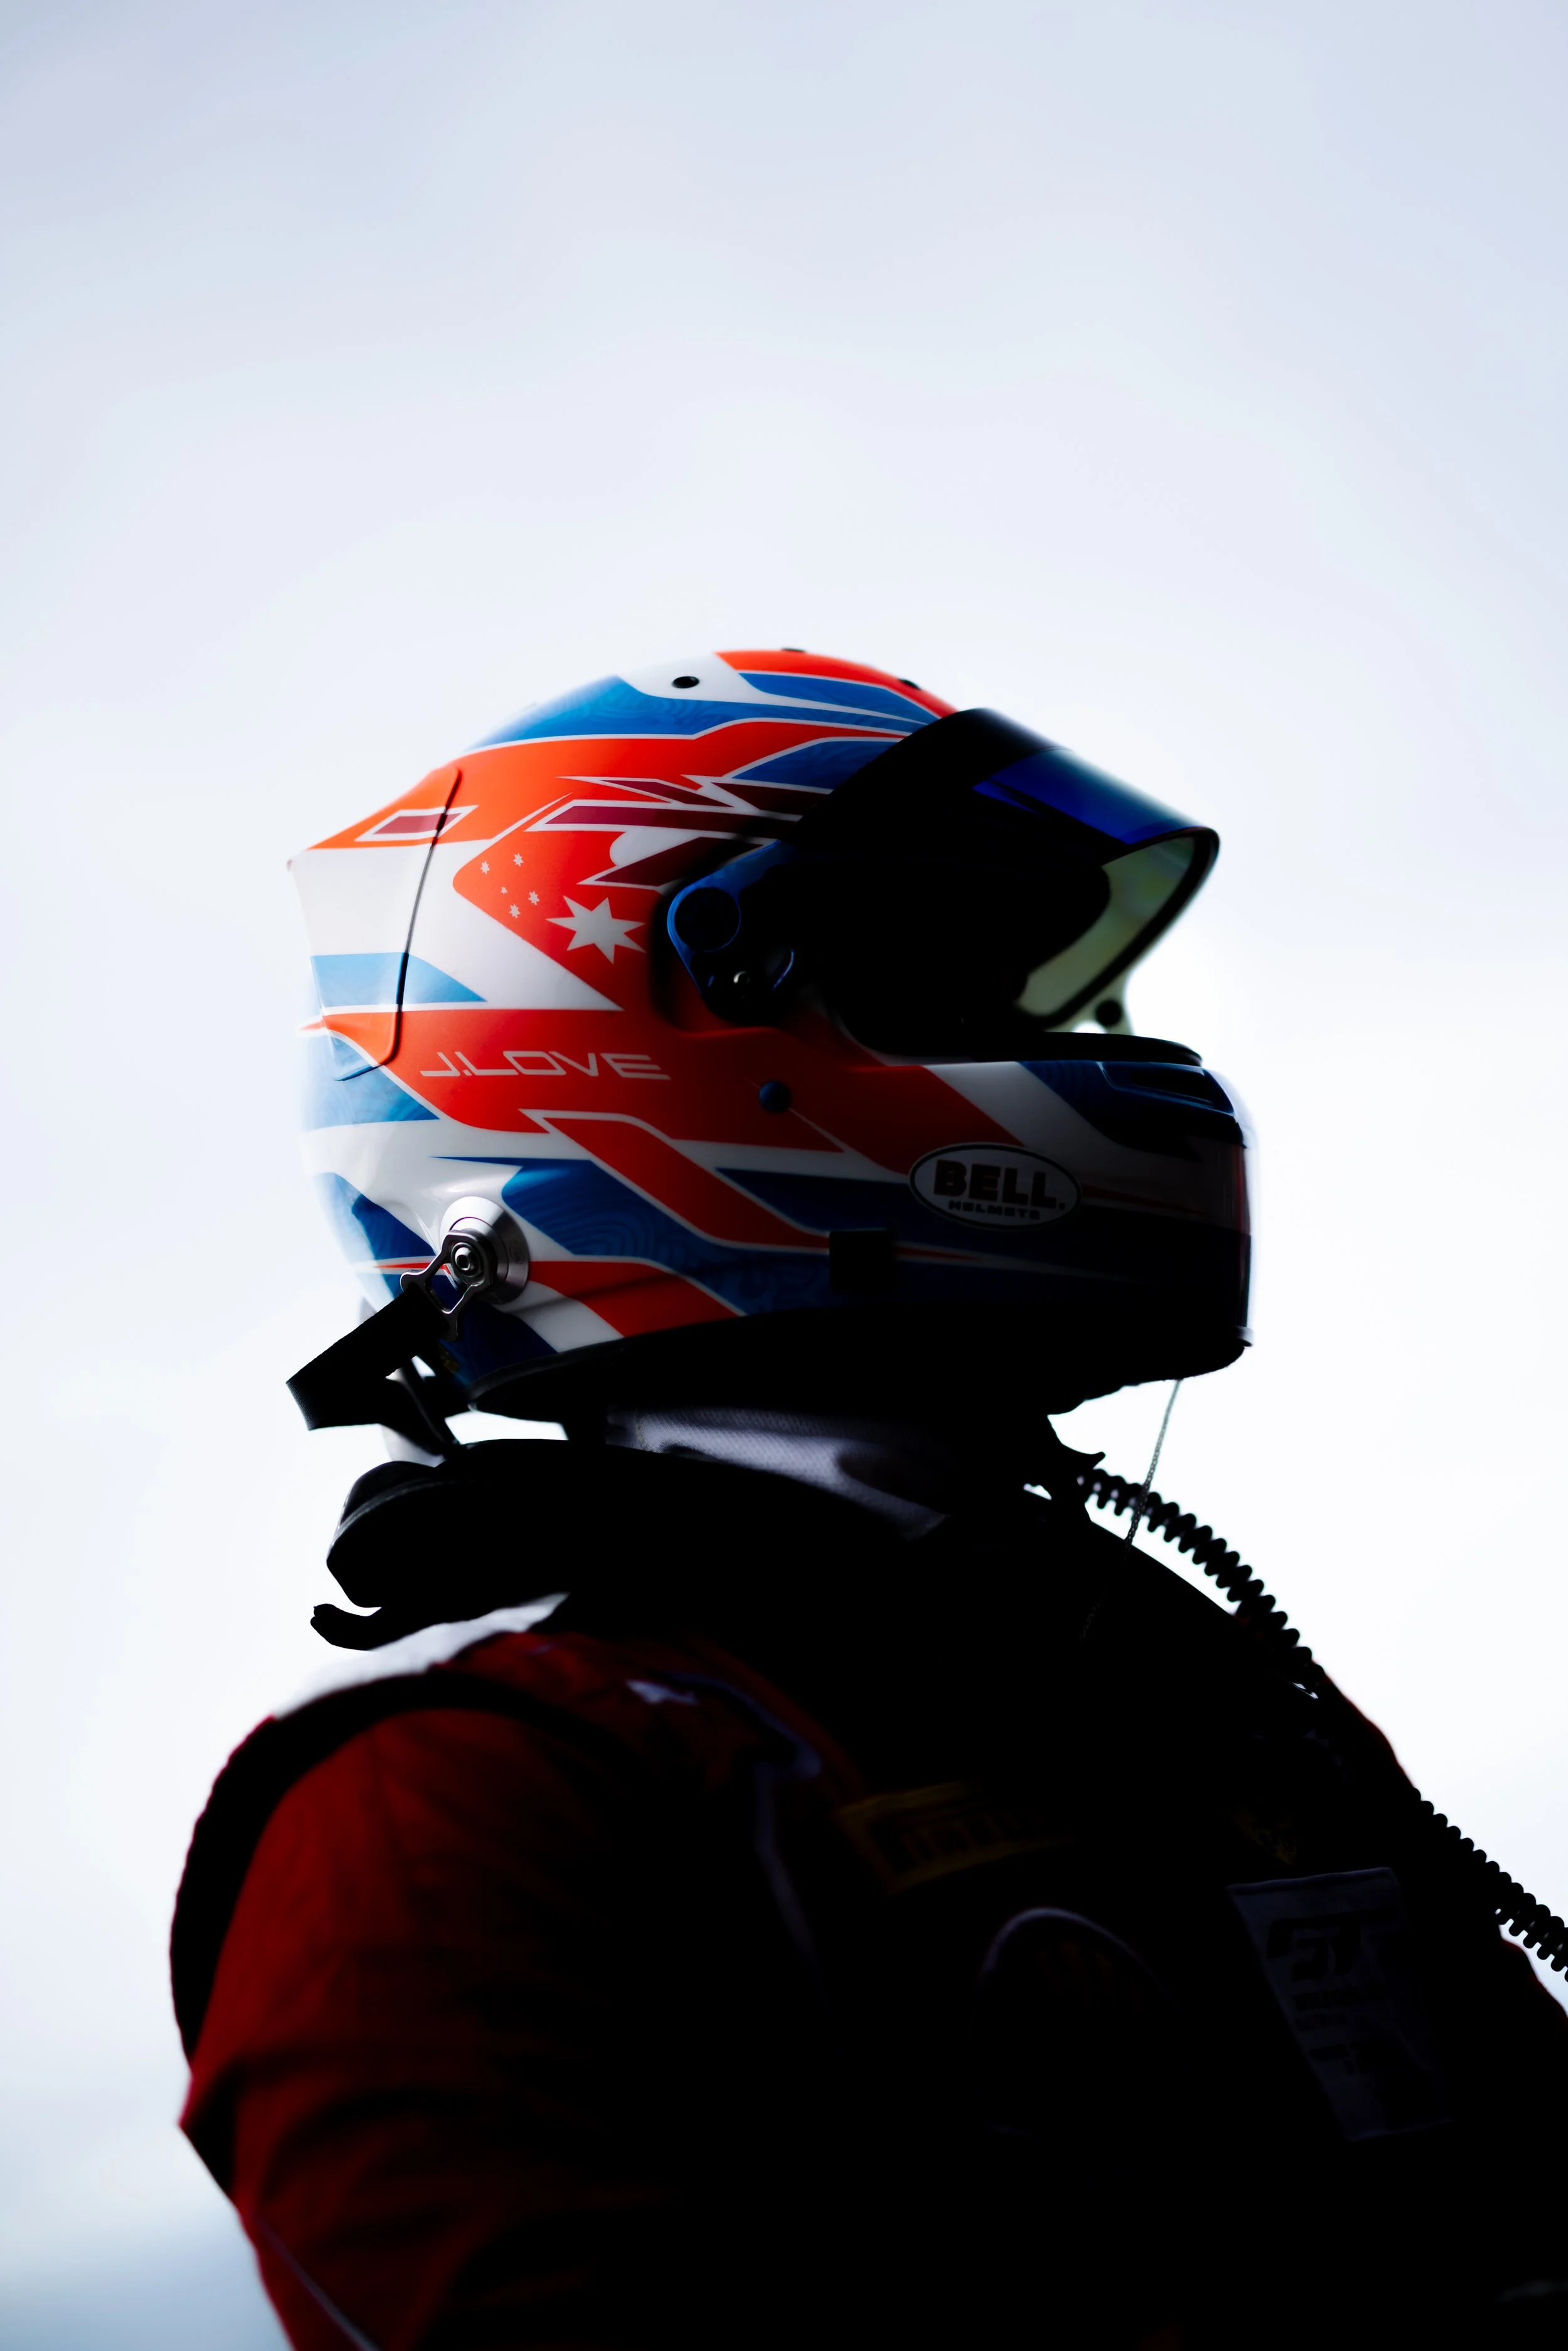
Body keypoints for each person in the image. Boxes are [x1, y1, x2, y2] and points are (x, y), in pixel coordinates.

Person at [172, 651, 1568, 2348]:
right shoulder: (452, 1808)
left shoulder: (1170, 1682)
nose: (1061, 1056)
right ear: (631, 1037)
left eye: (1032, 998)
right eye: (945, 979)